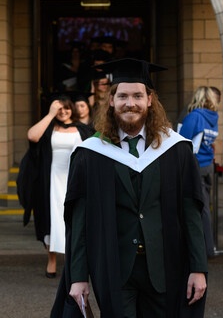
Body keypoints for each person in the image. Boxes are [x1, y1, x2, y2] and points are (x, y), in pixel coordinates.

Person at [51, 59, 208, 318]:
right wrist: (77, 277)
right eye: (122, 96)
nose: (130, 103)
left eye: (137, 95)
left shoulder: (176, 150)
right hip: (114, 269)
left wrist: (198, 268)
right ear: (111, 101)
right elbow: (79, 221)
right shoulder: (91, 153)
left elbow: (192, 212)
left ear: (149, 100)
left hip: (165, 267)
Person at [27, 95, 93, 278]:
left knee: (76, 218)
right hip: (52, 180)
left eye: (66, 108)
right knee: (52, 219)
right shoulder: (49, 128)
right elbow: (32, 136)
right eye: (59, 109)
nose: (63, 112)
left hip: (76, 180)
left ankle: (75, 261)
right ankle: (52, 260)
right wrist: (50, 114)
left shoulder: (83, 129)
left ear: (72, 109)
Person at [179, 86, 219, 258]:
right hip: (207, 165)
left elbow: (182, 141)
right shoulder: (213, 117)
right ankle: (208, 247)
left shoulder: (195, 116)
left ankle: (202, 250)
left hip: (195, 166)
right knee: (204, 208)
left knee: (197, 209)